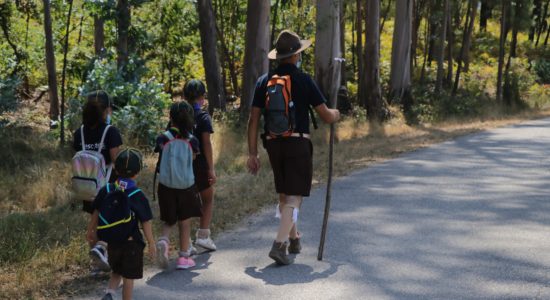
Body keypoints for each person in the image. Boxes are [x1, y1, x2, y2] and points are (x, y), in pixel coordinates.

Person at [247, 30, 340, 265]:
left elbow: (253, 119)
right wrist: (336, 113)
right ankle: (279, 245)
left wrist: (252, 153)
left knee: (285, 193)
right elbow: (326, 116)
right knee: (295, 196)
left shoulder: (264, 81)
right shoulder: (303, 79)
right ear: (296, 55)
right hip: (297, 142)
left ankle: (293, 237)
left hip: (273, 143)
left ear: (278, 56)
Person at [85, 148, 155, 300]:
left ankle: (109, 293)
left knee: (116, 271)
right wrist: (151, 242)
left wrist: (91, 230)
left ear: (115, 169)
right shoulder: (137, 195)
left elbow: (96, 212)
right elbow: (146, 221)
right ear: (137, 172)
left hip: (112, 243)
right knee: (128, 279)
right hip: (131, 243)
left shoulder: (107, 189)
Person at [74, 90, 122, 272]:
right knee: (110, 222)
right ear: (106, 110)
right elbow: (116, 159)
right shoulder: (111, 131)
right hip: (108, 185)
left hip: (87, 186)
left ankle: (96, 264)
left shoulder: (79, 133)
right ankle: (102, 250)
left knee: (94, 219)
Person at [155, 101, 203, 270]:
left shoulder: (163, 138)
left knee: (169, 219)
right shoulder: (193, 140)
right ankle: (183, 258)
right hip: (186, 186)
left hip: (166, 185)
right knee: (185, 222)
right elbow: (195, 157)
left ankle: (163, 241)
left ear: (171, 118)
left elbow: (160, 150)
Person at [184, 80, 218, 251]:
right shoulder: (203, 117)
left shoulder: (178, 115)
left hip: (181, 166)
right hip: (200, 165)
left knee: (187, 203)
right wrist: (211, 168)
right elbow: (206, 143)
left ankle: (186, 242)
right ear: (203, 97)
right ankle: (203, 235)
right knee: (207, 198)